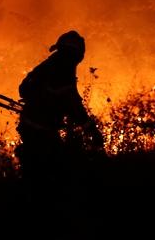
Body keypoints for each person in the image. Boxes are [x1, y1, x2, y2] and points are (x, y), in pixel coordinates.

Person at [15, 30, 104, 187]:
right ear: (74, 53)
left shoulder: (52, 65)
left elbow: (69, 102)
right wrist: (92, 131)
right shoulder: (61, 70)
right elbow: (74, 106)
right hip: (40, 129)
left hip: (35, 126)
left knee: (43, 171)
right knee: (55, 172)